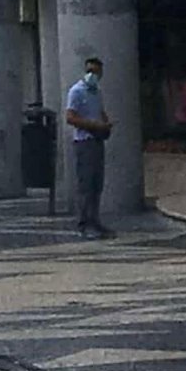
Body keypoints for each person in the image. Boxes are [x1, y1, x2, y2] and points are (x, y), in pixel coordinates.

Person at [65, 56, 116, 239]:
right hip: (84, 142)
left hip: (96, 141)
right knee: (85, 185)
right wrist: (93, 125)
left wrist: (105, 124)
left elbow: (100, 112)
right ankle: (84, 224)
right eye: (89, 71)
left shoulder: (97, 92)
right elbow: (70, 117)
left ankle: (95, 221)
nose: (92, 75)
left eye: (95, 72)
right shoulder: (76, 91)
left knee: (96, 184)